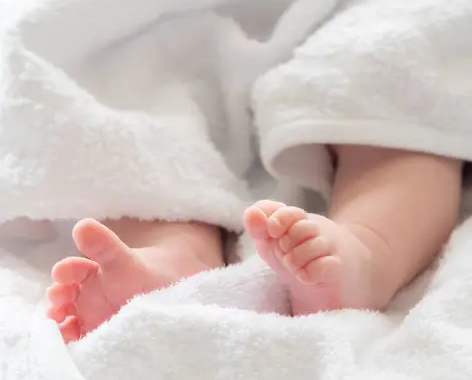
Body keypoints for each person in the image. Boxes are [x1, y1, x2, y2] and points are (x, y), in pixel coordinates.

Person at [46, 144, 462, 343]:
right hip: (179, 9)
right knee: (138, 119)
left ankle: (366, 250)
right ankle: (172, 261)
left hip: (354, 0)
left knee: (397, 118)